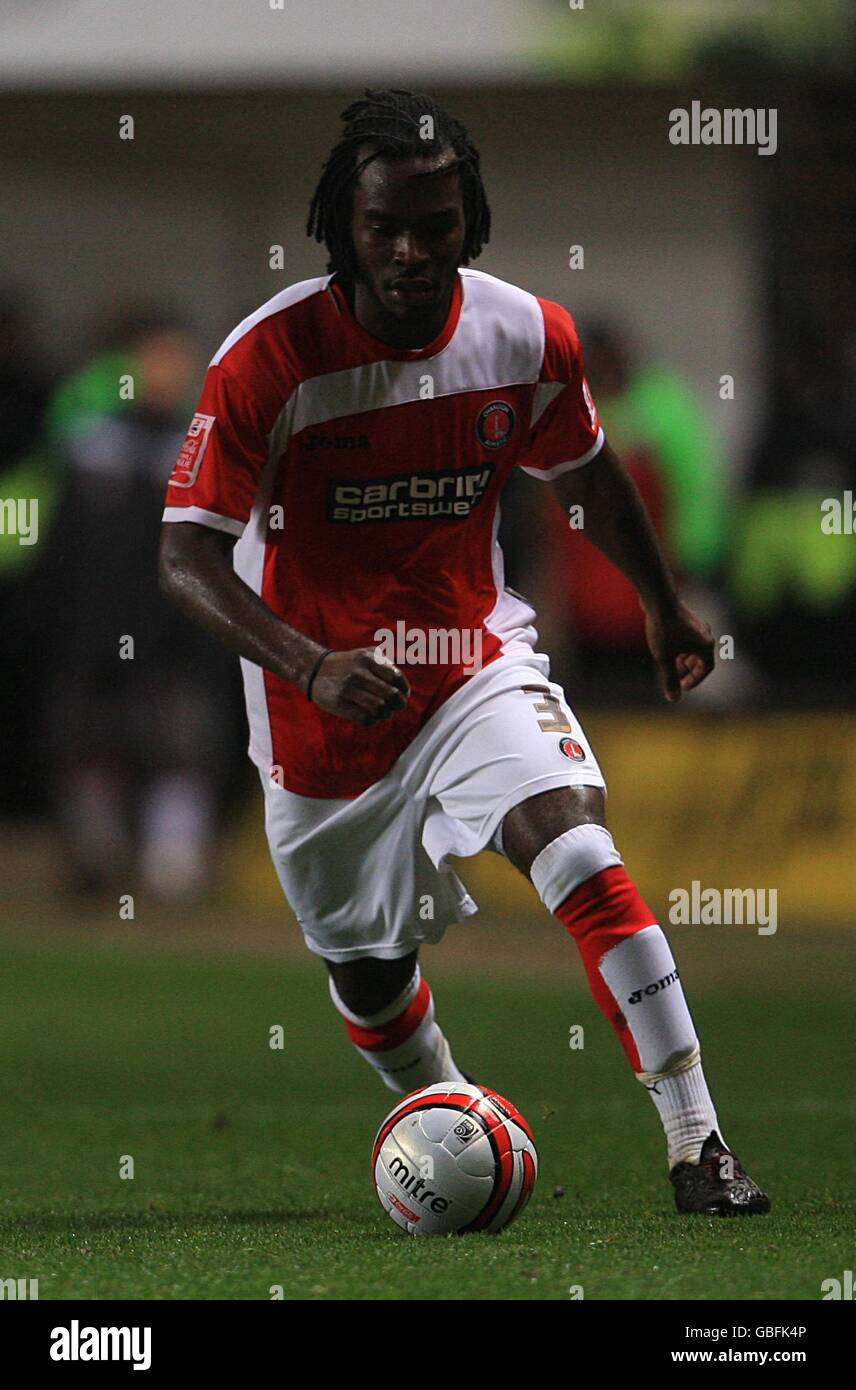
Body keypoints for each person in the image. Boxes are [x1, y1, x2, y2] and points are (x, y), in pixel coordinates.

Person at [159, 89, 769, 1216]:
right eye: (383, 224)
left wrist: (662, 603)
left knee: (577, 845)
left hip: (472, 663)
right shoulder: (267, 361)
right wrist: (307, 664)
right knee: (367, 970)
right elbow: (185, 557)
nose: (407, 250)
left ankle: (700, 1143)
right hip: (322, 715)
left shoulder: (526, 333)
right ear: (343, 221)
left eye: (434, 226)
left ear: (469, 221)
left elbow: (581, 466)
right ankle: (447, 1108)